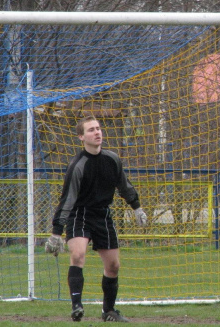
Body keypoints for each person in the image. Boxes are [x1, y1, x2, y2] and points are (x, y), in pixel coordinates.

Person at [45, 115, 147, 323]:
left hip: (103, 215)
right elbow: (67, 199)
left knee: (113, 266)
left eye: (98, 128)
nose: (97, 132)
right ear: (81, 137)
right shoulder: (78, 165)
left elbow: (124, 186)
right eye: (91, 130)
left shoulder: (112, 159)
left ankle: (108, 311)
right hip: (79, 214)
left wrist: (137, 208)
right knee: (78, 255)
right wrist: (56, 232)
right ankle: (77, 306)